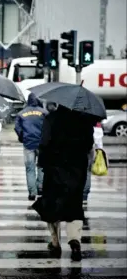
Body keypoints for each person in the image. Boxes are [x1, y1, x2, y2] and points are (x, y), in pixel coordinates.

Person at [34, 105, 94, 262]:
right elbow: (89, 144)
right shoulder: (85, 120)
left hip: (54, 170)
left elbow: (44, 142)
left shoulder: (51, 119)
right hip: (76, 171)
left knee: (52, 205)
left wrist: (42, 163)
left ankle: (55, 242)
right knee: (74, 206)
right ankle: (75, 241)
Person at [14, 93, 48, 200]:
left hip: (28, 144)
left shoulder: (21, 113)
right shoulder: (44, 113)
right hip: (42, 144)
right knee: (42, 166)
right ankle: (41, 187)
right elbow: (48, 127)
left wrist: (22, 138)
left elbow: (17, 128)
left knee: (30, 169)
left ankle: (32, 192)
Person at [83, 122, 104, 203]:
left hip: (76, 148)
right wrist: (99, 149)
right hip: (89, 149)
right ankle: (85, 194)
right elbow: (98, 141)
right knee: (87, 171)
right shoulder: (94, 121)